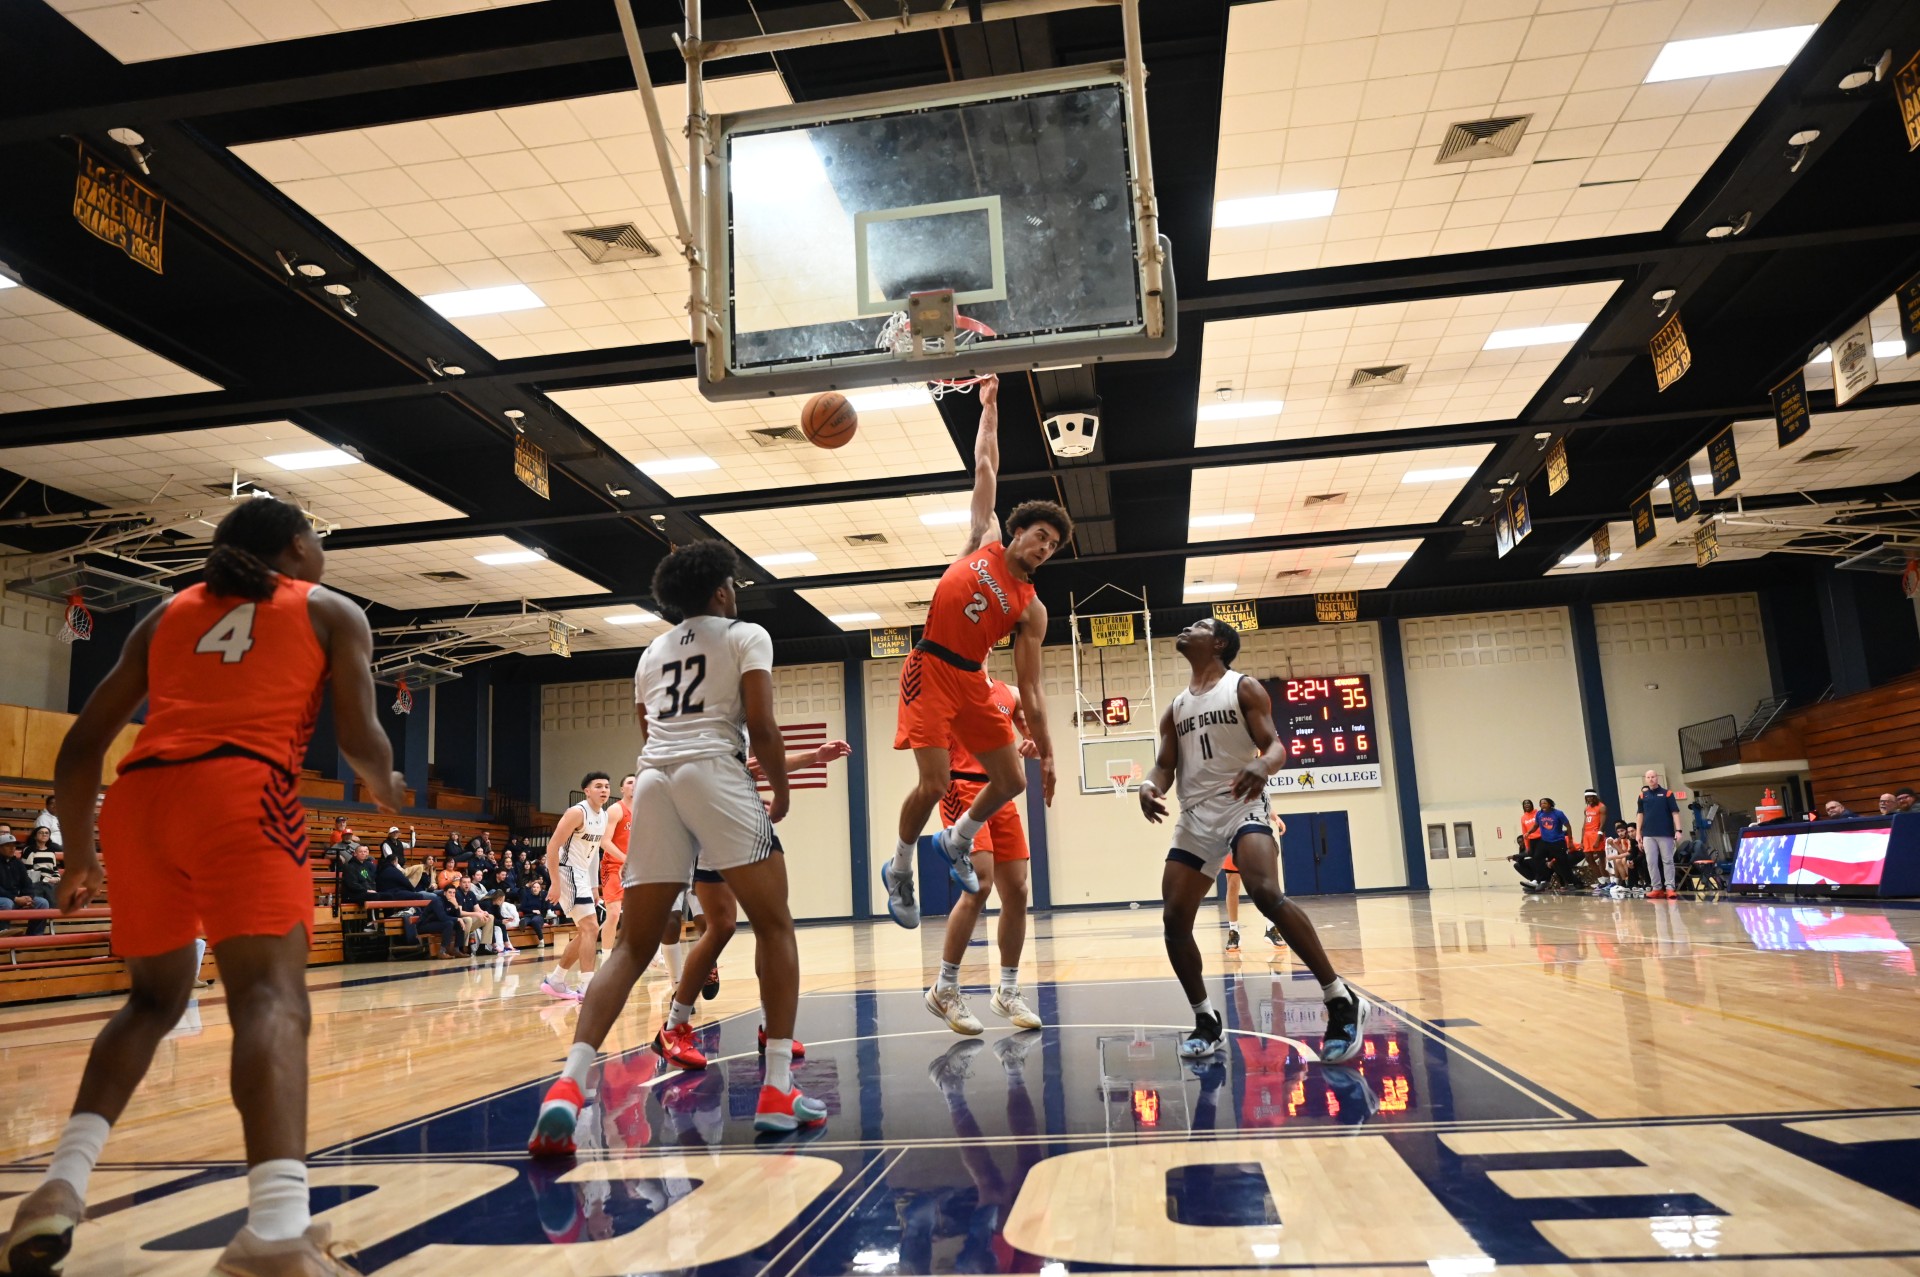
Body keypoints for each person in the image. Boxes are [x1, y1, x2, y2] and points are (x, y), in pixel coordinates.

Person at [1, 495, 405, 1277]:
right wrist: (385, 782)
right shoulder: (331, 610)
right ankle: (277, 1232)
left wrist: (80, 853)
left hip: (140, 799)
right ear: (295, 547)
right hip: (242, 793)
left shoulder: (166, 612)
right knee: (271, 999)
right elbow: (358, 741)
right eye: (316, 537)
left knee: (151, 1001)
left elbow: (83, 745)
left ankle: (56, 1187)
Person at [528, 540, 825, 1148]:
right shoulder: (747, 635)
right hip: (714, 769)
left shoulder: (652, 651)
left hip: (656, 778)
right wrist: (784, 794)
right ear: (722, 590)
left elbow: (649, 730)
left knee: (631, 946)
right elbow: (761, 726)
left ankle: (568, 1084)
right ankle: (775, 1089)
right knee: (774, 925)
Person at [1136, 617, 1367, 1065]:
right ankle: (1206, 1020)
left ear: (1219, 643)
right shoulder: (1176, 707)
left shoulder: (1244, 688)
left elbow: (1276, 746)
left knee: (1263, 890)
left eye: (1199, 625)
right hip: (1197, 815)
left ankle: (1340, 999)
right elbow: (1164, 765)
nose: (1187, 628)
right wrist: (1149, 786)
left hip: (1243, 803)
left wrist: (1263, 767)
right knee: (1174, 919)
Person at [883, 375, 1067, 928]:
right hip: (930, 666)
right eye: (1040, 535)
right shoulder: (978, 540)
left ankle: (956, 839)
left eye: (1054, 545)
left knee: (1011, 780)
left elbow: (1030, 688)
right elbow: (985, 464)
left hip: (971, 682)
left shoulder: (1031, 608)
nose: (1045, 547)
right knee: (935, 782)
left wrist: (1051, 753)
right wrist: (988, 407)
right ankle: (899, 868)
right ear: (1016, 532)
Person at [651, 738, 853, 1070]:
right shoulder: (698, 719)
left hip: (746, 820)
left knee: (772, 924)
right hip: (709, 823)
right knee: (722, 927)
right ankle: (674, 1027)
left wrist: (815, 756)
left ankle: (771, 1026)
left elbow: (764, 763)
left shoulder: (738, 722)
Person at [925, 674, 1043, 1035]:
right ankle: (944, 987)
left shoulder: (1010, 692)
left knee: (1018, 890)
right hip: (960, 786)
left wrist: (1034, 743)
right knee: (979, 884)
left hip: (999, 790)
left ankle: (1007, 990)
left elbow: (1032, 728)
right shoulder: (946, 684)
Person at [540, 773, 610, 1000]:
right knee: (591, 927)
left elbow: (594, 855)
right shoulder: (576, 813)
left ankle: (556, 980)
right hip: (566, 870)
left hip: (582, 874)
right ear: (586, 791)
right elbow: (552, 847)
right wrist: (555, 882)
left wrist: (594, 886)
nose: (604, 790)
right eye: (598, 786)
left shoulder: (604, 816)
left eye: (607, 787)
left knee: (587, 931)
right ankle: (587, 986)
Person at [1636, 769, 1682, 899]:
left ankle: (1670, 887)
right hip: (1648, 834)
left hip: (1665, 833)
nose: (1651, 779)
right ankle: (1656, 888)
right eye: (1648, 777)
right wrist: (1638, 833)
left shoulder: (1667, 794)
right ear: (1646, 779)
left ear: (1657, 778)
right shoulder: (1642, 796)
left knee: (1667, 860)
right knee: (1651, 861)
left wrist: (1678, 830)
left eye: (1653, 777)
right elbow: (1640, 815)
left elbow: (1675, 813)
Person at [601, 774, 633, 956]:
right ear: (622, 789)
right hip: (613, 865)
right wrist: (625, 859)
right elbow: (605, 841)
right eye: (629, 783)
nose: (634, 786)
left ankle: (653, 957)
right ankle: (606, 960)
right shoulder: (615, 810)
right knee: (613, 914)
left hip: (634, 868)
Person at [0, 834, 52, 936]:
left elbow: (27, 883)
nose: (12, 848)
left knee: (42, 903)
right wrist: (15, 898)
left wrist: (29, 897)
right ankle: (2, 931)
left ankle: (34, 936)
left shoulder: (18, 863)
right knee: (6, 903)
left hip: (17, 899)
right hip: (6, 899)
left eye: (14, 846)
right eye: (7, 845)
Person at [1532, 798, 1578, 890]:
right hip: (1545, 842)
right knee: (1537, 858)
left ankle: (1572, 883)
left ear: (1550, 804)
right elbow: (1536, 825)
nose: (1542, 805)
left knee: (1562, 863)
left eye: (1544, 803)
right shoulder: (1539, 814)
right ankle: (1544, 880)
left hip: (1557, 842)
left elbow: (1568, 826)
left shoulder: (1558, 813)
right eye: (1541, 803)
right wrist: (1529, 832)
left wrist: (1570, 840)